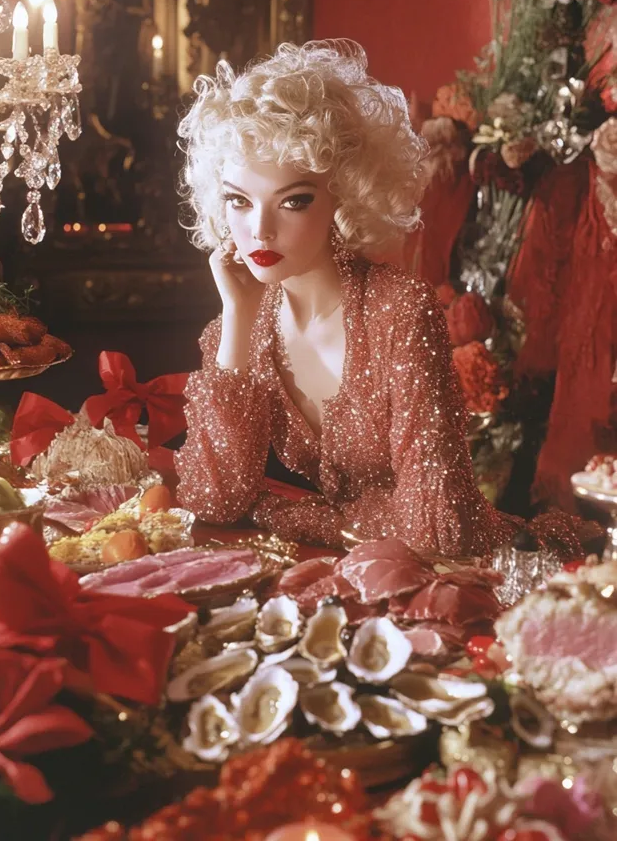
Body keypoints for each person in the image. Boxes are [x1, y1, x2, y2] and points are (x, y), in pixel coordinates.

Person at [174, 40, 583, 557]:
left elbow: (438, 528)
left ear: (343, 193)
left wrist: (300, 515)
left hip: (465, 574)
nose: (260, 230)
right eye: (238, 200)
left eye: (294, 201)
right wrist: (237, 315)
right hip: (354, 575)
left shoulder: (398, 310)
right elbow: (213, 499)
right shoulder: (242, 326)